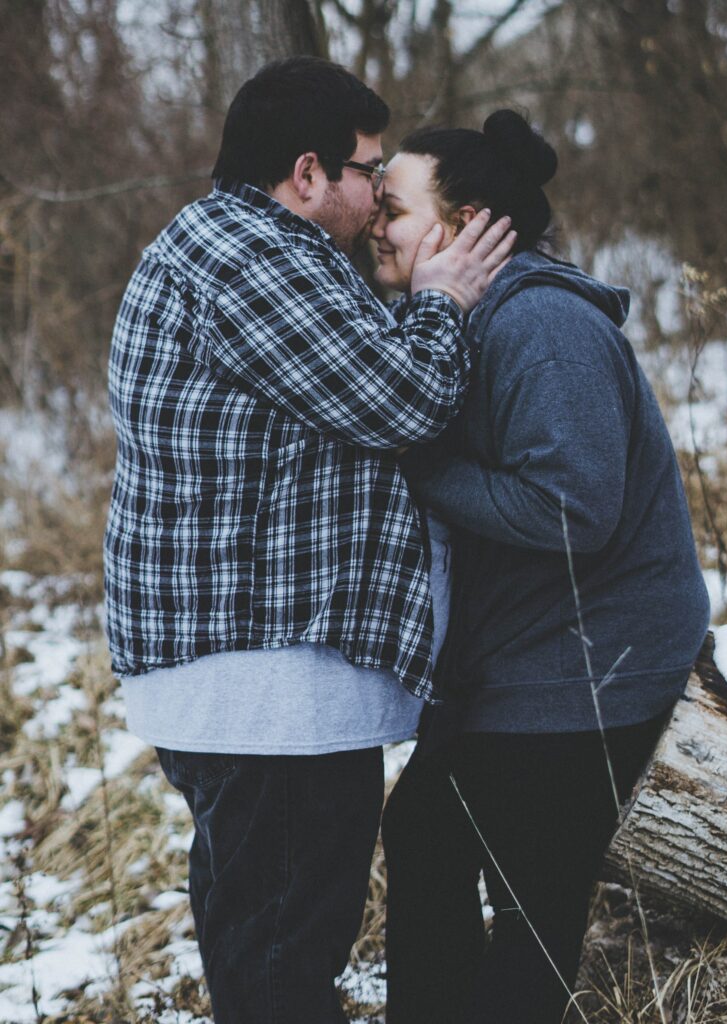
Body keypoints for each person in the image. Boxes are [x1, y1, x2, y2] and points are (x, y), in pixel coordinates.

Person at [103, 57, 514, 1024]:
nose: (377, 198)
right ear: (306, 174)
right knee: (283, 955)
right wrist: (445, 299)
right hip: (265, 692)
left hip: (250, 685)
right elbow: (397, 398)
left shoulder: (227, 245)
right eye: (368, 171)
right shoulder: (253, 255)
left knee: (259, 940)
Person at [373, 110, 711, 1024]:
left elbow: (573, 508)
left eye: (391, 207)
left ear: (468, 224)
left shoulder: (543, 328)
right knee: (427, 837)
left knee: (531, 908)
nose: (373, 223)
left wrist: (422, 468)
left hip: (590, 674)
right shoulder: (461, 324)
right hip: (521, 667)